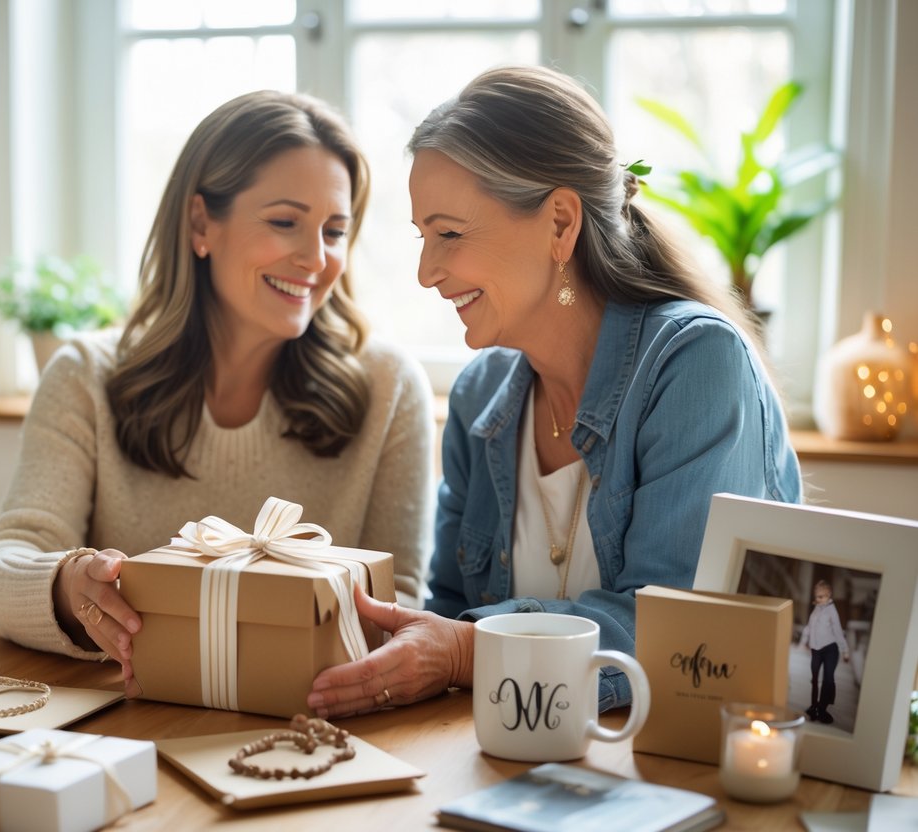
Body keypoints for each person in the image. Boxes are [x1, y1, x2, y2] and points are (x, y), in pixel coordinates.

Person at [307, 65, 802, 719]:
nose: (427, 272)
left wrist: (462, 652)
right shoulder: (478, 399)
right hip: (512, 769)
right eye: (422, 237)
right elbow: (449, 611)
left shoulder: (695, 364)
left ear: (560, 224)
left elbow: (676, 632)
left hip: (671, 779)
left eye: (449, 234)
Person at [0, 90, 436, 693]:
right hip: (127, 729)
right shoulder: (84, 377)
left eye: (334, 230)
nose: (316, 258)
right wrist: (69, 586)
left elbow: (394, 604)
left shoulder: (389, 388)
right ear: (200, 224)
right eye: (284, 222)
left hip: (308, 727)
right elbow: (6, 566)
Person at [799, 579, 850, 724]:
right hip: (816, 649)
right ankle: (814, 706)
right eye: (817, 596)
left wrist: (845, 650)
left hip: (830, 649)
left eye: (822, 596)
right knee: (814, 678)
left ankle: (823, 709)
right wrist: (803, 641)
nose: (818, 599)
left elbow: (838, 631)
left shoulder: (831, 611)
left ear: (829, 595)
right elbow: (809, 626)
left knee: (828, 679)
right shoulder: (817, 608)